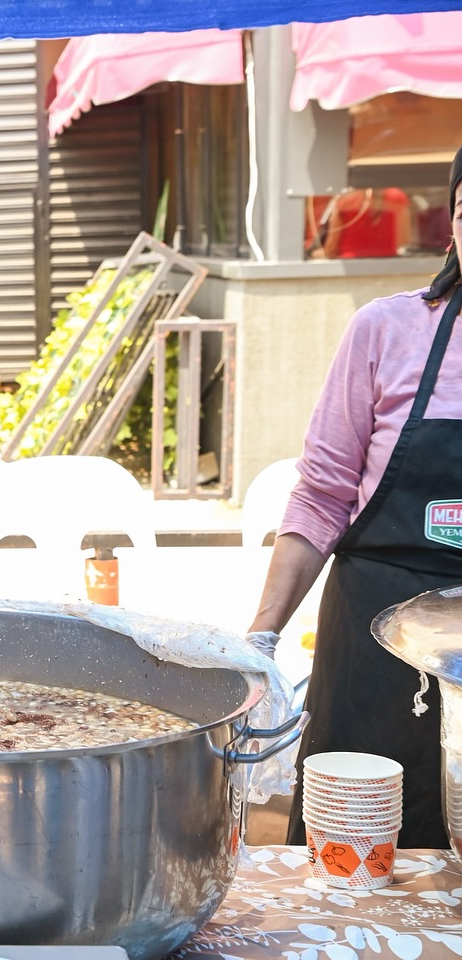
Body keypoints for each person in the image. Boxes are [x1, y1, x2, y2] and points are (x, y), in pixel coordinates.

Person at [248, 144, 462, 849]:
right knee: (353, 862)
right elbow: (321, 496)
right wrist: (263, 637)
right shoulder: (388, 331)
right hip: (374, 641)